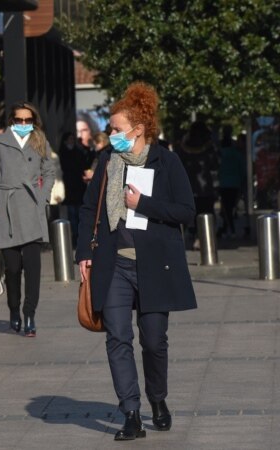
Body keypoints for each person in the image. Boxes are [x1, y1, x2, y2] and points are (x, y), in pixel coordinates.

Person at [76, 82, 197, 441]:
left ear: (138, 129)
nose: (110, 134)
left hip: (156, 265)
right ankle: (131, 412)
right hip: (113, 264)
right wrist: (84, 252)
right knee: (117, 337)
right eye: (110, 129)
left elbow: (187, 212)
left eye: (116, 129)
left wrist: (142, 204)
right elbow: (87, 210)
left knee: (155, 341)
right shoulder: (107, 161)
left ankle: (157, 399)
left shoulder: (167, 161)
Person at [0, 101, 55, 337]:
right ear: (11, 121)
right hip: (6, 208)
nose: (24, 124)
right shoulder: (0, 142)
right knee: (12, 268)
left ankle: (30, 314)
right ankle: (14, 309)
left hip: (31, 208)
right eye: (19, 120)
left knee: (33, 269)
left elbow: (49, 171)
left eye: (28, 120)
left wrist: (42, 198)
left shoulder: (40, 140)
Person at [175, 120, 219, 248]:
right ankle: (205, 238)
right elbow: (215, 164)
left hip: (189, 184)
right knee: (207, 211)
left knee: (193, 212)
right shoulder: (209, 146)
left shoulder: (184, 146)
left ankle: (194, 235)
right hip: (206, 186)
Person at [59, 130, 90, 246]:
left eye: (73, 139)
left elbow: (83, 165)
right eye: (70, 139)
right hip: (69, 187)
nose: (71, 141)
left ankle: (79, 236)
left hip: (79, 187)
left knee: (79, 213)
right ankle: (74, 236)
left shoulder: (79, 152)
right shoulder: (63, 153)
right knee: (72, 214)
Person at [217, 126, 246, 239]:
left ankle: (229, 229)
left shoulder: (221, 154)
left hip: (224, 183)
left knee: (226, 207)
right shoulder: (237, 154)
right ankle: (227, 229)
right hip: (235, 183)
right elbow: (242, 169)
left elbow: (216, 167)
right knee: (230, 207)